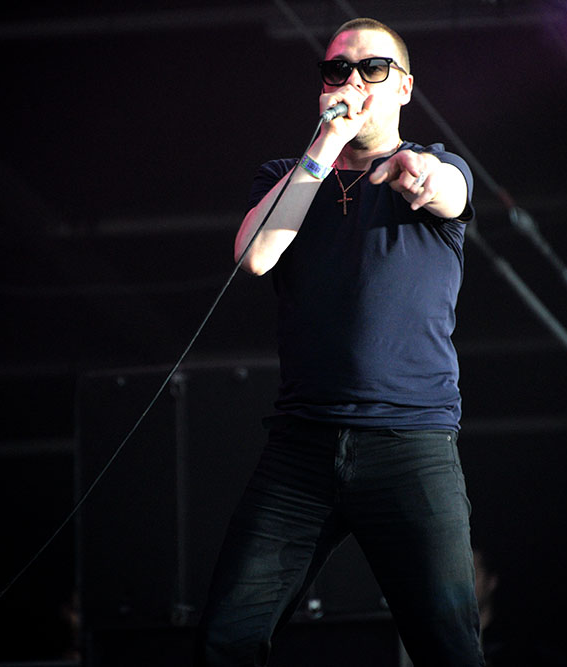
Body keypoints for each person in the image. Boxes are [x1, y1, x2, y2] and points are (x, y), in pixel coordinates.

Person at [194, 17, 483, 667]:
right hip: (302, 448)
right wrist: (327, 143)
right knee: (225, 637)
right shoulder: (289, 176)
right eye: (338, 70)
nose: (354, 80)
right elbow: (255, 257)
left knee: (449, 647)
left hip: (409, 442)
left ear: (403, 87)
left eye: (373, 68)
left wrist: (421, 174)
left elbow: (449, 191)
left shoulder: (436, 164)